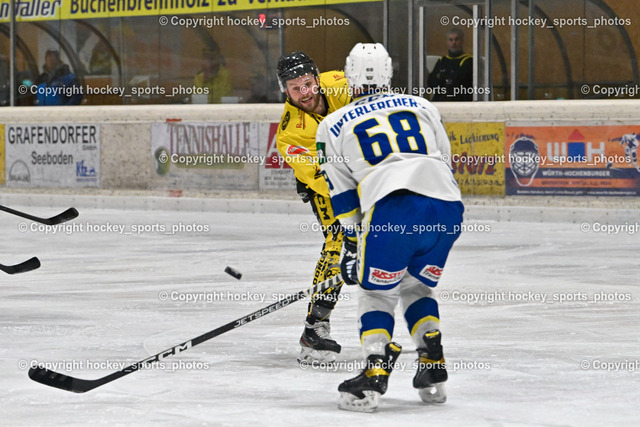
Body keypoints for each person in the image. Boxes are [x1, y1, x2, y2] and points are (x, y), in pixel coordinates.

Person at [317, 43, 464, 412]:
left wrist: (354, 245)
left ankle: (374, 371)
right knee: (416, 286)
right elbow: (444, 160)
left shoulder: (332, 124)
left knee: (376, 295)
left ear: (349, 75)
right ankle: (432, 361)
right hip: (446, 208)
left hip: (393, 210)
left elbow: (343, 197)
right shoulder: (422, 105)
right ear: (389, 73)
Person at [275, 51, 351, 363]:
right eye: (295, 88)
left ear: (317, 79)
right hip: (327, 185)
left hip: (363, 168)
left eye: (307, 84)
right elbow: (321, 179)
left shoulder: (343, 83)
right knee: (339, 240)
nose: (304, 92)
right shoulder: (290, 133)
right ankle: (315, 326)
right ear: (284, 91)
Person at [427, 28, 473, 101]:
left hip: (459, 101)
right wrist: (449, 77)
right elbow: (431, 83)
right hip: (439, 101)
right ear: (447, 42)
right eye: (451, 40)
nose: (453, 43)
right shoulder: (442, 60)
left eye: (456, 39)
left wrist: (442, 77)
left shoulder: (468, 60)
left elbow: (458, 83)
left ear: (462, 41)